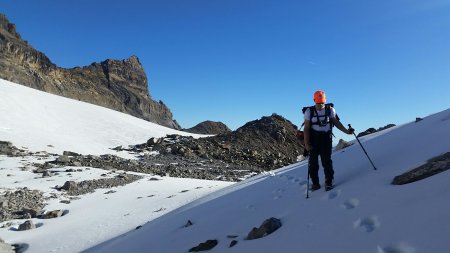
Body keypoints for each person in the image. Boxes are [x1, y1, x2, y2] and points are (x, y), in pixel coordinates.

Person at [303, 90, 354, 191]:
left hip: (316, 140)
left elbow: (307, 128)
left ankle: (316, 184)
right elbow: (336, 123)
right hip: (324, 139)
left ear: (314, 99)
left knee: (315, 163)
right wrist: (347, 132)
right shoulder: (328, 110)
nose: (321, 104)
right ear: (325, 99)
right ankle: (328, 182)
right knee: (325, 161)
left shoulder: (311, 111)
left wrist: (307, 143)